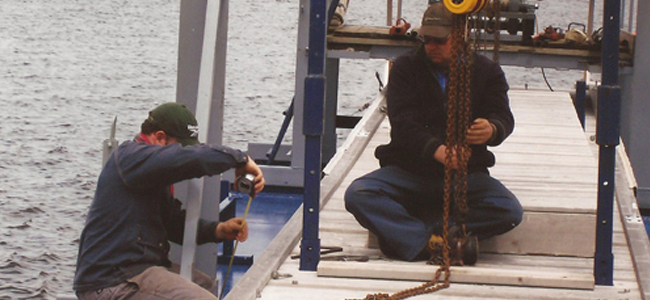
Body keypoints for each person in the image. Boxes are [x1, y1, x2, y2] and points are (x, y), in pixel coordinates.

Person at [344, 3, 523, 265]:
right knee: (358, 194)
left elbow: (502, 117)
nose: (431, 47)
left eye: (439, 41)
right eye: (426, 40)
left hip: (464, 177)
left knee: (509, 210)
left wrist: (491, 129)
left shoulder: (487, 71)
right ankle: (437, 240)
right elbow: (403, 124)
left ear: (459, 36)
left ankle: (416, 234)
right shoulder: (406, 68)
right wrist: (438, 151)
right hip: (409, 173)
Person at [73, 102, 265, 299]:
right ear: (159, 138)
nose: (182, 155)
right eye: (181, 147)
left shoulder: (148, 170)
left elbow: (172, 224)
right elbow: (191, 159)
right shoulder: (130, 157)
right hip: (113, 280)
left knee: (205, 284)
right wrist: (240, 159)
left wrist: (219, 230)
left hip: (136, 271)